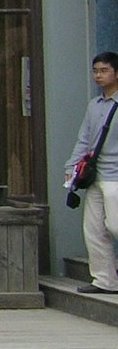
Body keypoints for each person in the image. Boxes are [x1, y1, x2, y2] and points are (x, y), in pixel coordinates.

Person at [66, 51, 118, 295]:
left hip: (116, 178)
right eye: (95, 70)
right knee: (94, 230)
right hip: (95, 177)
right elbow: (84, 140)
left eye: (104, 70)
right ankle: (105, 281)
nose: (98, 75)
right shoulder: (94, 105)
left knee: (116, 226)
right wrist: (71, 168)